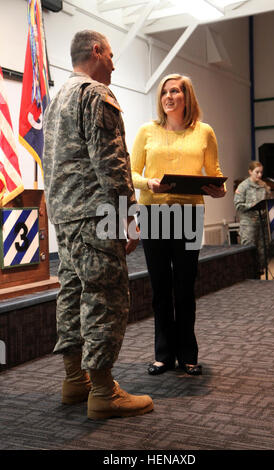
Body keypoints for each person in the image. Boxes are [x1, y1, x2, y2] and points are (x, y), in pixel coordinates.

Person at [42, 30, 153, 420]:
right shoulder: (95, 94)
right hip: (95, 216)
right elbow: (112, 164)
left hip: (66, 219)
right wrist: (129, 217)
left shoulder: (55, 100)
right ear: (96, 51)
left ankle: (76, 381)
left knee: (72, 294)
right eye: (110, 55)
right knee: (105, 297)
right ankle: (104, 392)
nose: (113, 63)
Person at [130, 73, 226, 376]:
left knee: (185, 288)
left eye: (175, 91)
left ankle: (188, 355)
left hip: (188, 215)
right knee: (160, 288)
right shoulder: (147, 131)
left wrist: (219, 190)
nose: (169, 97)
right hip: (154, 213)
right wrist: (149, 182)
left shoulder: (204, 132)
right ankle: (163, 355)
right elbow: (130, 173)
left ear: (187, 97)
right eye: (164, 93)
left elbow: (215, 173)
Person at [234, 161, 271, 274]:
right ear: (250, 172)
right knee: (249, 248)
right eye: (257, 172)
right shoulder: (243, 186)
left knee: (264, 248)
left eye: (261, 172)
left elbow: (268, 201)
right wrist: (252, 205)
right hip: (248, 223)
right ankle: (247, 273)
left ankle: (260, 271)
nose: (259, 175)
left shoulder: (263, 185)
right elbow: (238, 204)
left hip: (262, 221)